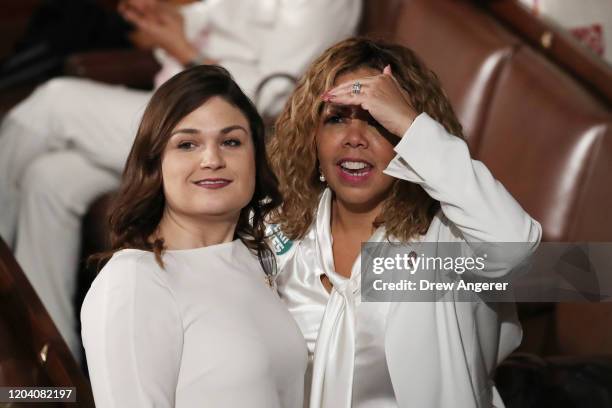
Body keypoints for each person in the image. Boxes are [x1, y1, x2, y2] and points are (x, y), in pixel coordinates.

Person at [0, 0, 361, 359]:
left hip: (240, 137)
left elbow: (273, 100)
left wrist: (183, 50)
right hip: (179, 110)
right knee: (49, 179)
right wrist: (166, 21)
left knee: (54, 102)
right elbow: (207, 18)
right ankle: (47, 361)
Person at [266, 37, 543, 408]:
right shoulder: (279, 236)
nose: (354, 139)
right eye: (336, 119)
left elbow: (516, 247)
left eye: (377, 121)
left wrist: (413, 127)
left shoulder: (445, 240)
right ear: (312, 140)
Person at [81, 65, 307, 407]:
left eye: (231, 142)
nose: (212, 159)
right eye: (187, 144)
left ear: (255, 159)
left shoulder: (257, 263)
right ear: (155, 163)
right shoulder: (133, 281)